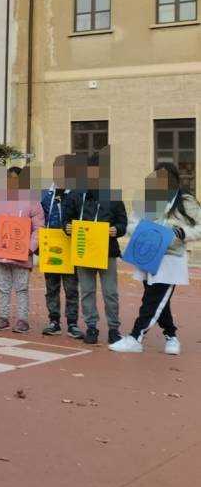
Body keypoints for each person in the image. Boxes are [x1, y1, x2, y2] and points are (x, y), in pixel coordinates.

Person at [110, 163, 201, 355]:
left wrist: (182, 232)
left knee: (152, 299)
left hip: (170, 258)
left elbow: (199, 228)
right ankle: (171, 336)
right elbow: (131, 224)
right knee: (159, 301)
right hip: (147, 255)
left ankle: (136, 338)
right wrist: (143, 229)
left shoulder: (186, 201)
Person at [62, 150, 127, 345]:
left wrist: (117, 230)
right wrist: (67, 227)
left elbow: (123, 222)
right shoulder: (75, 195)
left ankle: (114, 328)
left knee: (110, 292)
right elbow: (66, 219)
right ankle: (91, 326)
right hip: (83, 251)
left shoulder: (113, 196)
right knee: (87, 291)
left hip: (107, 252)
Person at [0, 166, 44, 333]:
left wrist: (30, 248)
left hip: (22, 254)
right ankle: (3, 317)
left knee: (22, 288)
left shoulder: (33, 202)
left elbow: (39, 228)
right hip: (0, 253)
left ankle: (22, 319)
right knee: (2, 287)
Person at [41, 155, 82, 338]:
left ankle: (72, 323)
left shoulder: (78, 193)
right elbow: (39, 218)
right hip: (50, 245)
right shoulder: (45, 194)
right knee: (51, 287)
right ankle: (54, 321)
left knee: (71, 287)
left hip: (71, 246)